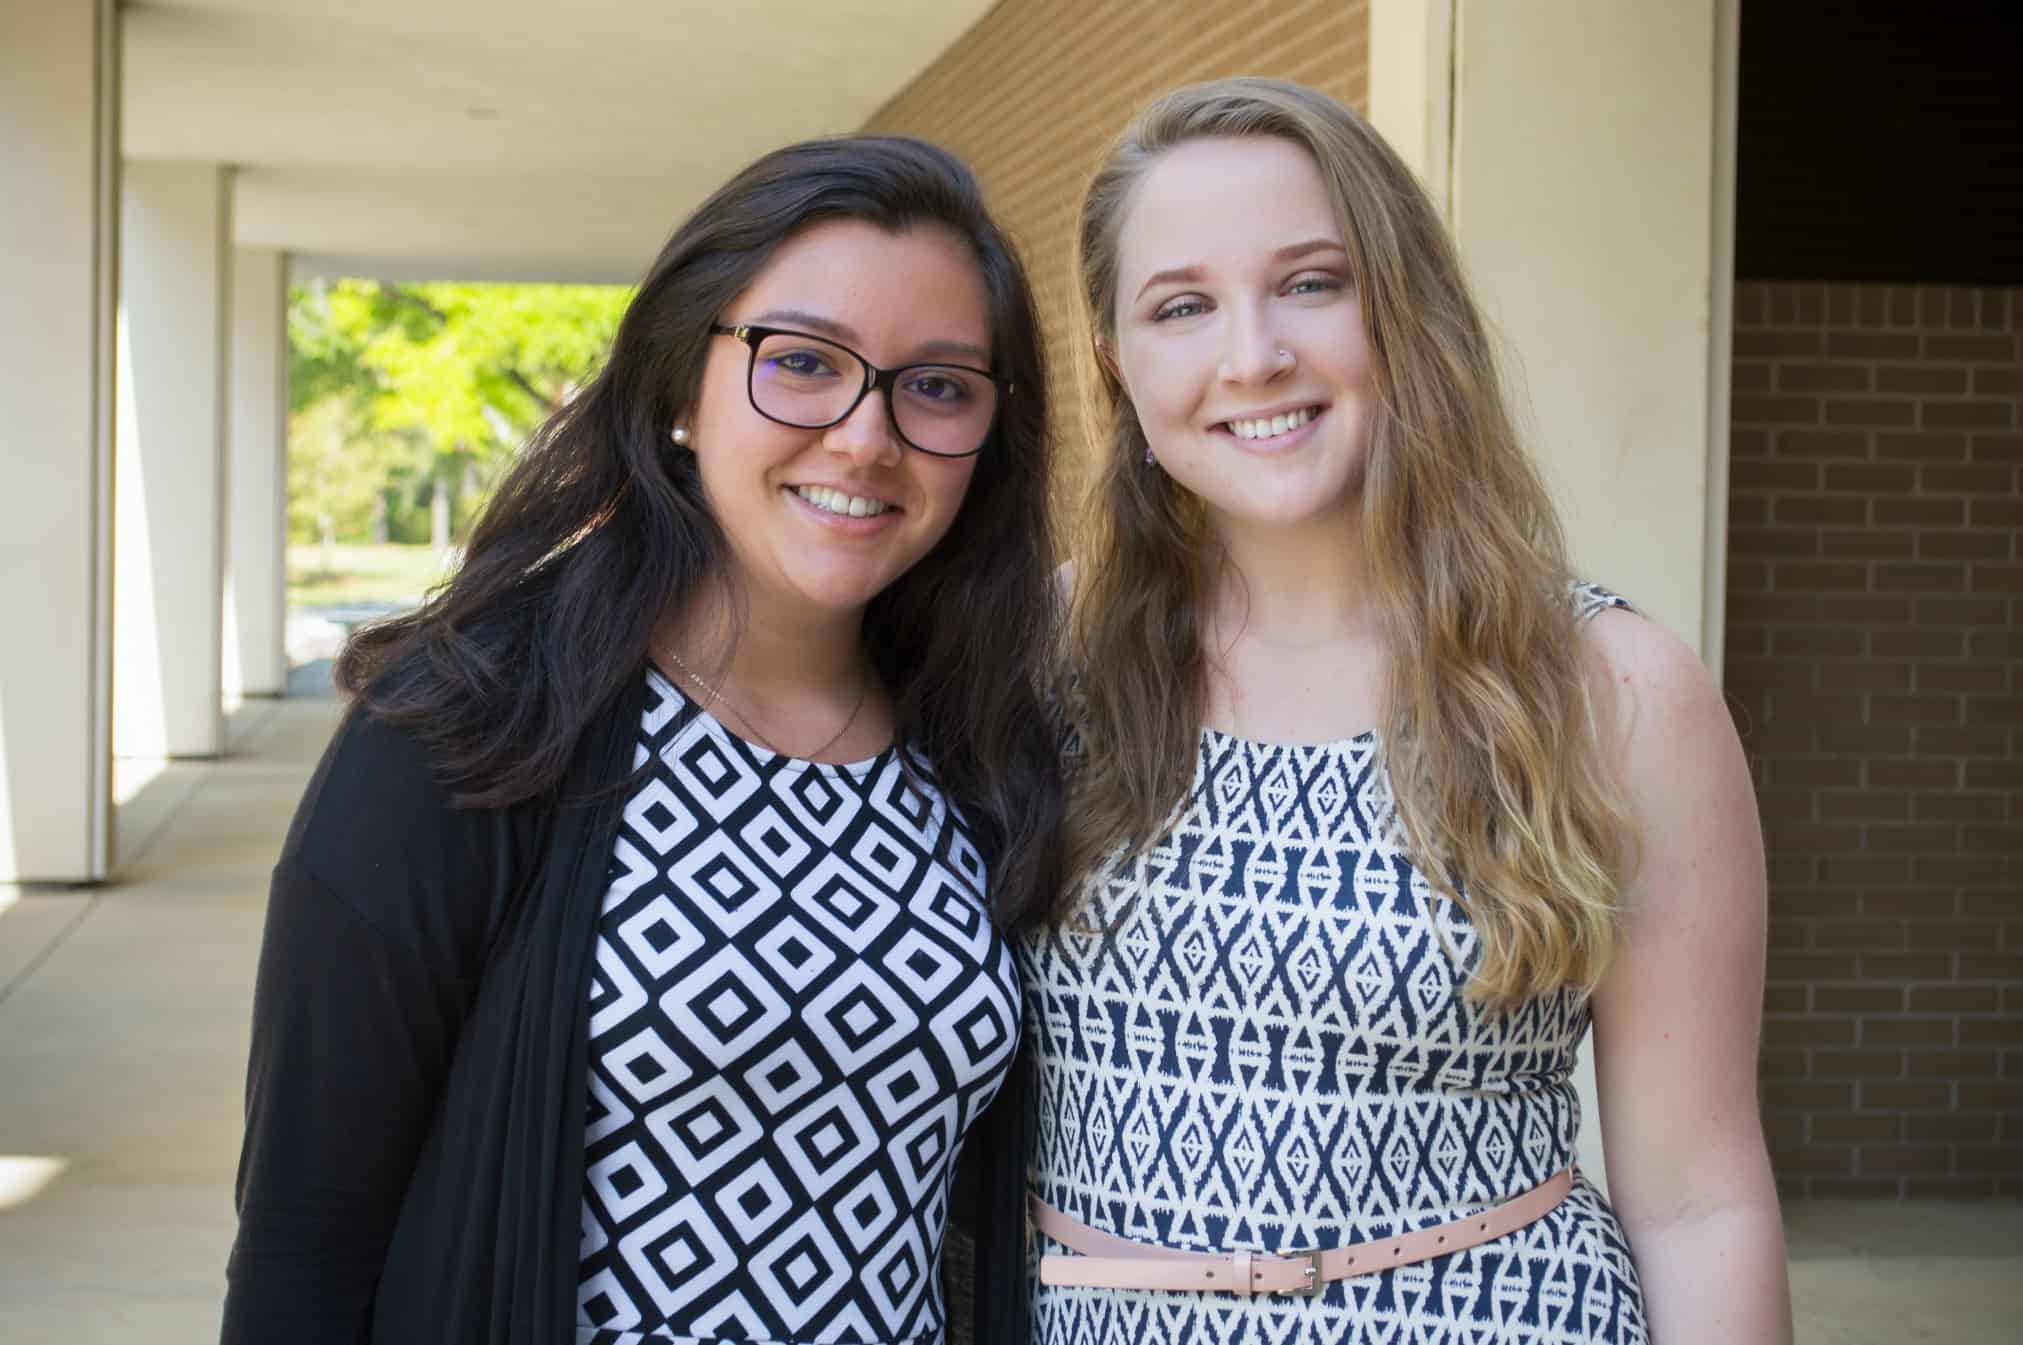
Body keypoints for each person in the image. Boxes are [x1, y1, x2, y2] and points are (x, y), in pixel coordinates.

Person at [220, 134, 1063, 1345]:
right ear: (681, 387)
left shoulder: (983, 750)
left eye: (936, 385)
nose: (866, 437)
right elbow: (306, 1241)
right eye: (804, 362)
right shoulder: (475, 726)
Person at [1018, 78, 1791, 1344]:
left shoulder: (1608, 688)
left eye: (1313, 283)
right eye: (1181, 306)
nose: (1251, 353)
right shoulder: (1038, 662)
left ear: (1404, 311)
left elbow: (1699, 1201)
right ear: (1115, 358)